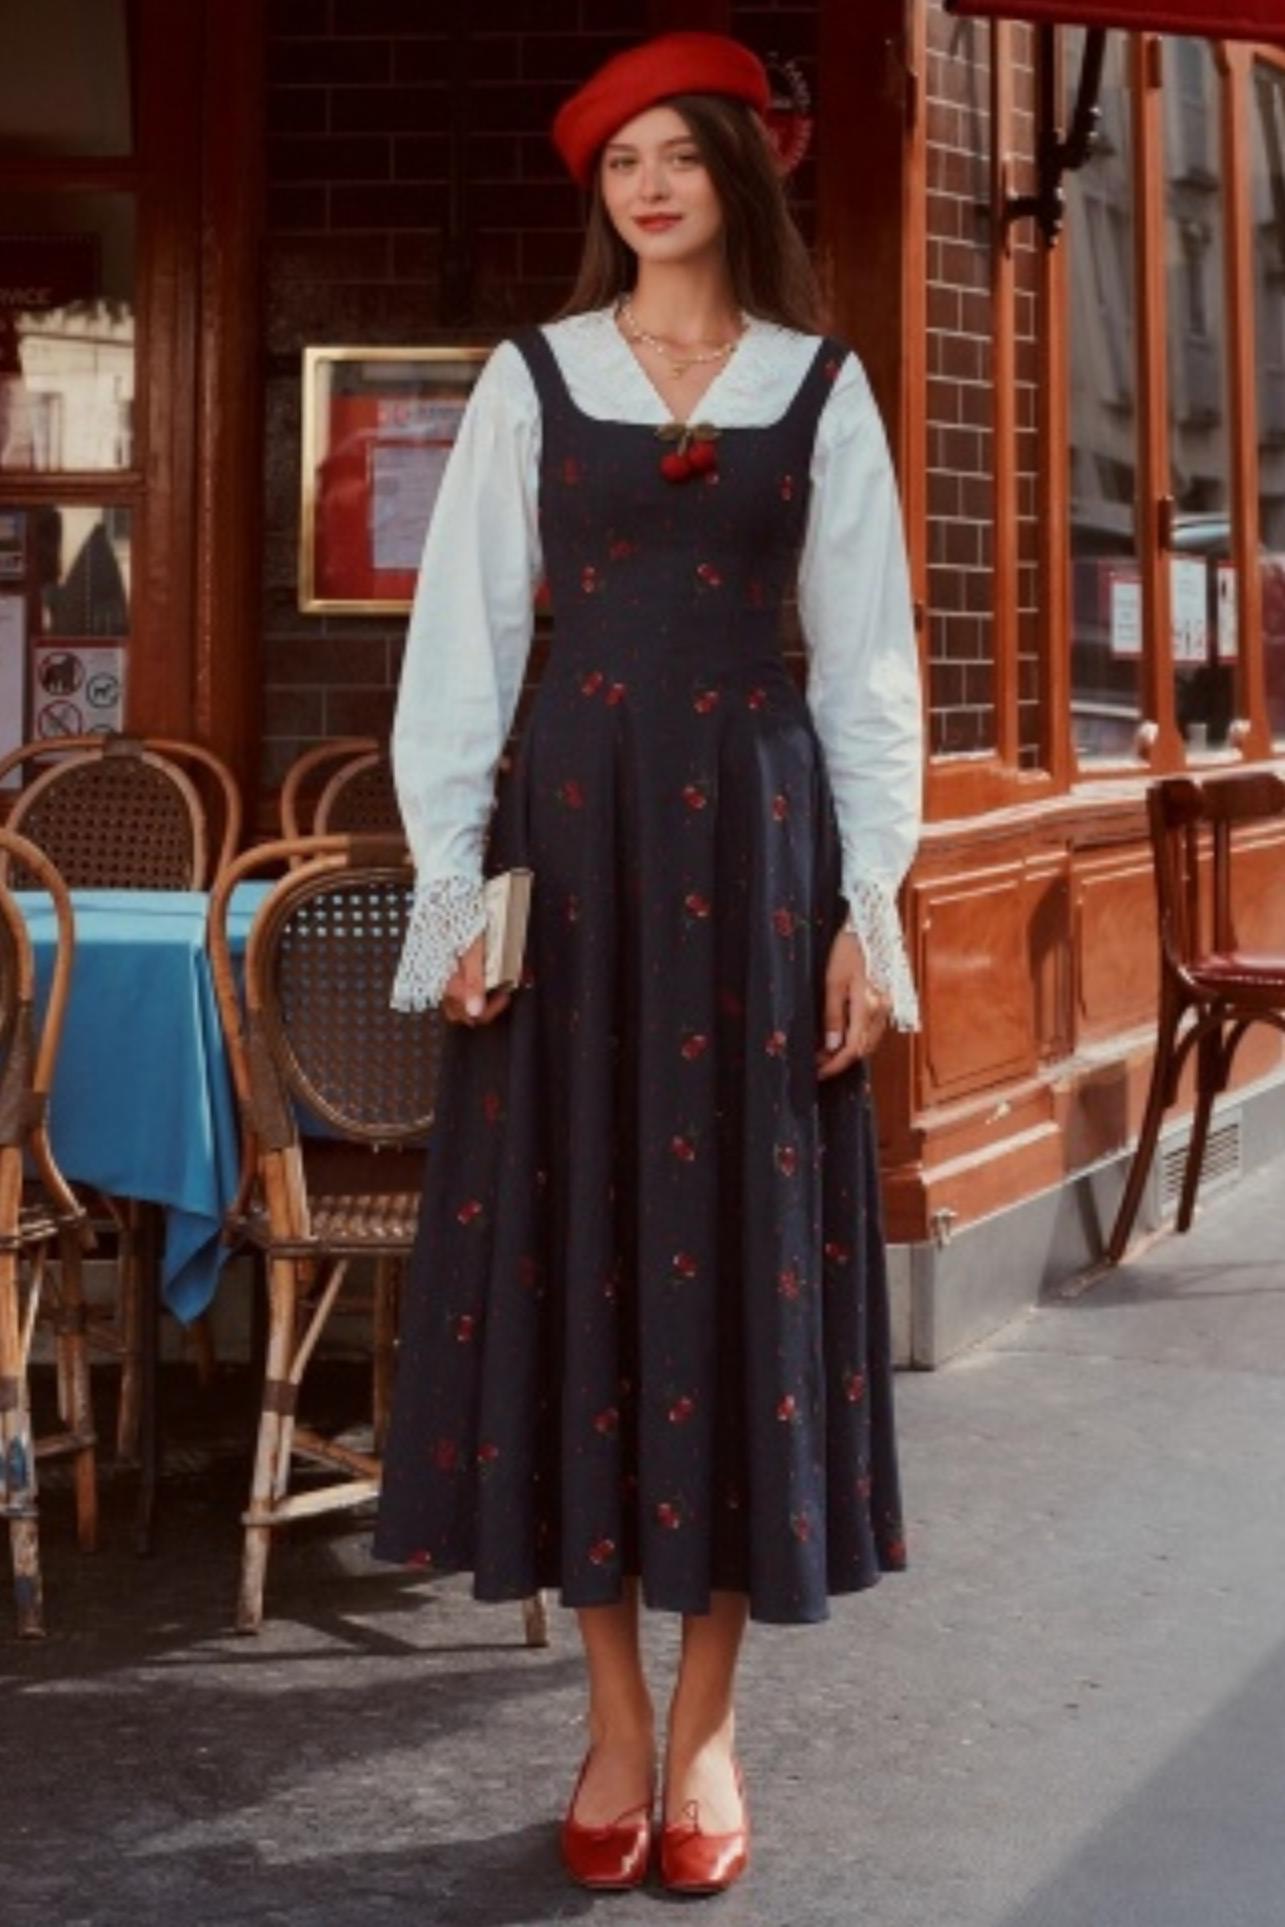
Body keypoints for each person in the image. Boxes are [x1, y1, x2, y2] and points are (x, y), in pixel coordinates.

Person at [374, 29, 923, 1897]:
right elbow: (455, 649)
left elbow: (863, 678)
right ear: (597, 194)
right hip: (578, 855)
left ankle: (704, 1736)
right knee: (579, 1265)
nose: (651, 188)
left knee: (740, 1283)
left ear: (741, 178)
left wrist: (874, 911)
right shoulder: (534, 378)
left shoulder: (820, 386)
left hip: (758, 862)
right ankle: (609, 1720)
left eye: (681, 157)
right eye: (621, 164)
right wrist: (454, 895)